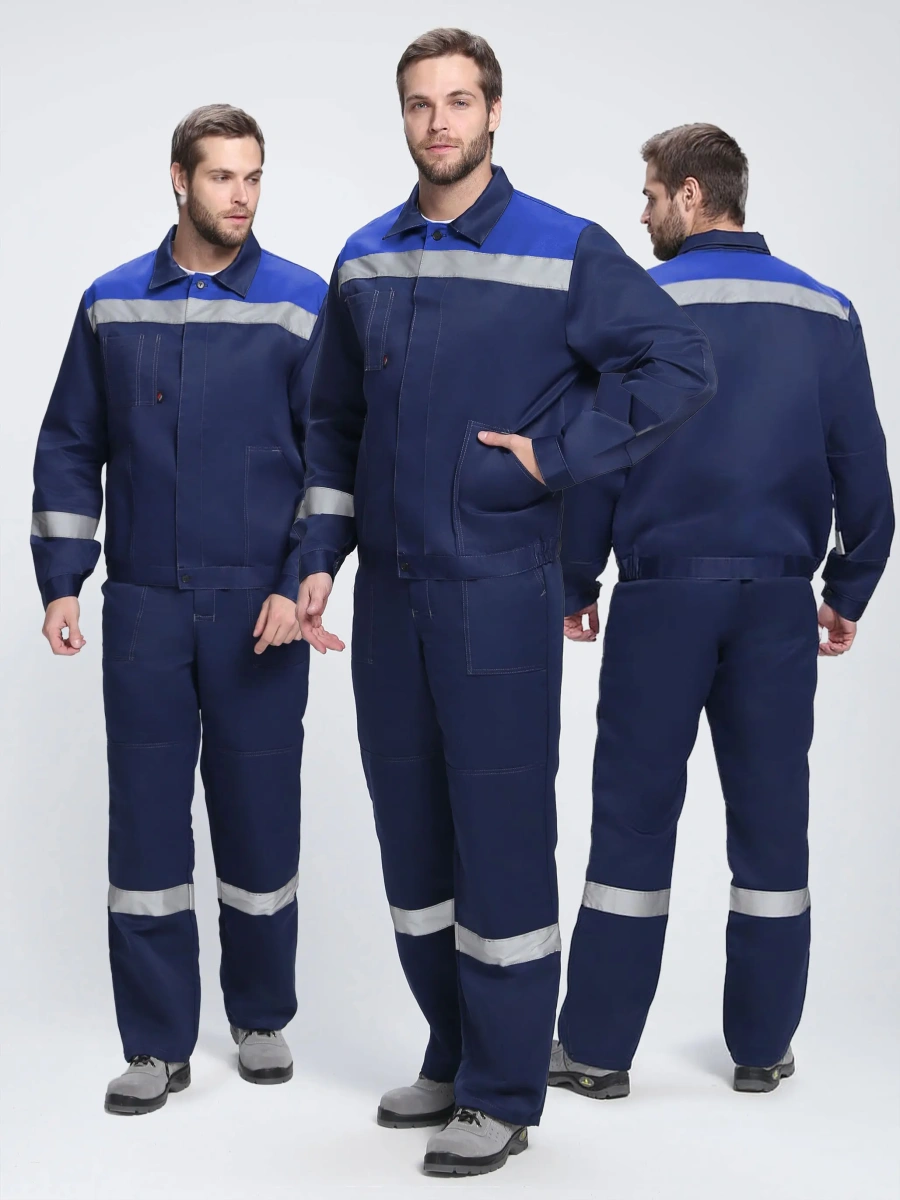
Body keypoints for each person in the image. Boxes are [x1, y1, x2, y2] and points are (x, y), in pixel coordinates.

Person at [295, 30, 716, 1176]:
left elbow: (680, 364)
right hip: (390, 599)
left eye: (459, 101)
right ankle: (452, 1048)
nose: (439, 121)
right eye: (420, 103)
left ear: (493, 114)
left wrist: (555, 458)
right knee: (412, 837)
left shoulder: (561, 246)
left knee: (502, 838)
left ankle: (503, 1089)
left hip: (498, 590)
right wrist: (321, 553)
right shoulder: (364, 258)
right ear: (403, 117)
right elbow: (333, 423)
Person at [550, 123, 894, 1101]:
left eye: (651, 194)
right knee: (774, 820)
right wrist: (846, 589)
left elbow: (600, 455)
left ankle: (598, 1052)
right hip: (777, 605)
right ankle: (762, 1047)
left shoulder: (640, 308)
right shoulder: (825, 310)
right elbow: (865, 470)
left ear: (693, 194)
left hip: (662, 599)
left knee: (631, 822)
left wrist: (577, 580)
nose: (643, 213)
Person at [31, 104, 327, 1115]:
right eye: (222, 177)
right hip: (145, 607)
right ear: (178, 178)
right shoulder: (111, 303)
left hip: (260, 612)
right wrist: (62, 577)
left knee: (259, 814)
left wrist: (299, 578)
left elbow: (331, 460)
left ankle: (262, 1016)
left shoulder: (300, 304)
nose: (241, 197)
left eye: (254, 177)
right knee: (147, 827)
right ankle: (156, 1044)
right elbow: (71, 443)